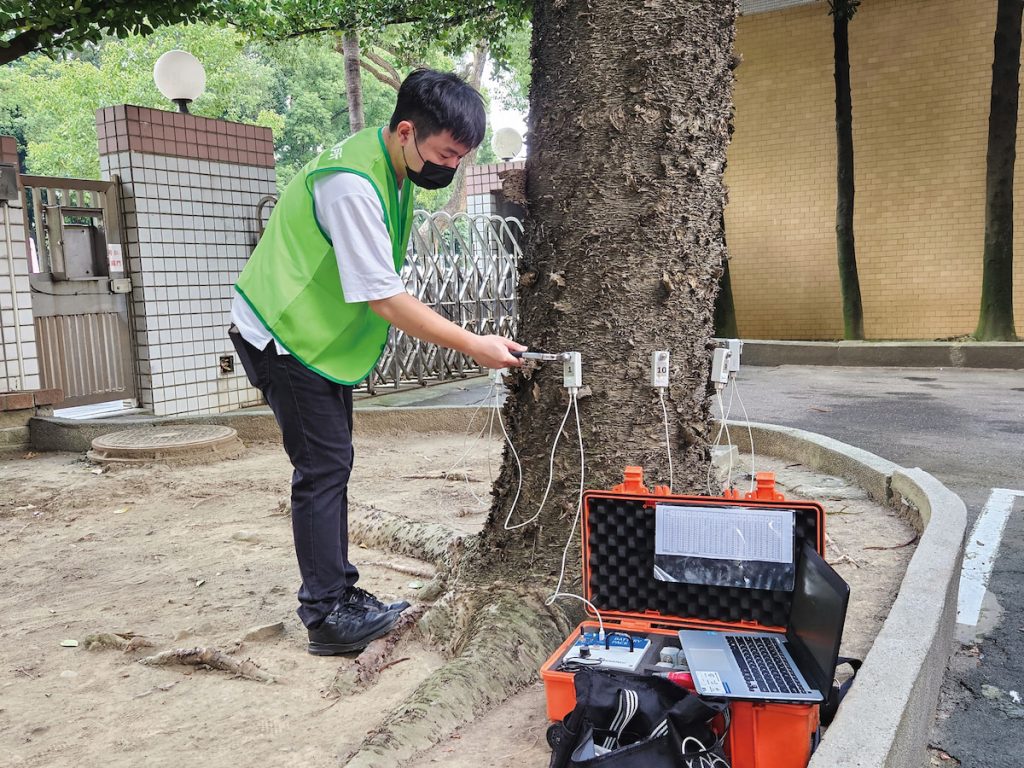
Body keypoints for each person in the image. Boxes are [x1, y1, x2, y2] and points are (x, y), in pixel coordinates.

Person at [229, 69, 526, 656]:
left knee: (332, 464)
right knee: (322, 469)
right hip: (283, 334)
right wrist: (474, 344)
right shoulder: (352, 186)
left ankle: (340, 592)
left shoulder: (391, 165)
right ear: (407, 131)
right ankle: (326, 617)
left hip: (316, 339)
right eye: (446, 154)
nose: (451, 167)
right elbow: (385, 298)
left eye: (462, 157)